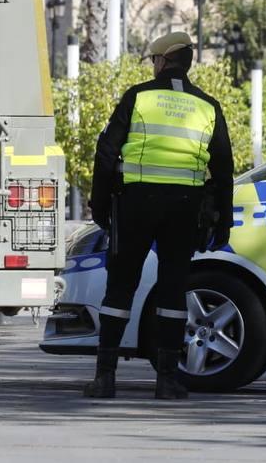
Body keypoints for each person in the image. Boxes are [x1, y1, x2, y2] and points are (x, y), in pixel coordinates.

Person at [84, 31, 234, 401]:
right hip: (184, 208)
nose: (153, 66)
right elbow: (225, 170)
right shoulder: (208, 106)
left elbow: (106, 154)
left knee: (121, 287)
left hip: (135, 203)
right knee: (172, 291)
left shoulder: (138, 97)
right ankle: (167, 379)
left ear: (164, 61)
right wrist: (223, 220)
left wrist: (99, 206)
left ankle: (105, 377)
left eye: (154, 60)